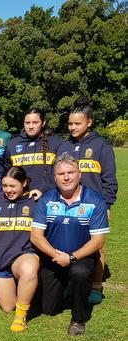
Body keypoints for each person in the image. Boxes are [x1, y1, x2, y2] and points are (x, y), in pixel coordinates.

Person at [31, 153, 108, 336]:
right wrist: (56, 255)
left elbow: (98, 240)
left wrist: (72, 257)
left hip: (81, 257)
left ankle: (78, 318)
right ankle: (69, 288)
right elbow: (36, 236)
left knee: (79, 272)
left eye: (71, 172)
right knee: (48, 309)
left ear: (79, 174)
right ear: (54, 177)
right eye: (61, 174)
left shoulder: (95, 200)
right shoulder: (47, 199)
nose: (66, 177)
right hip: (54, 258)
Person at [57, 97, 117, 304]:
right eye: (70, 124)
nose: (72, 127)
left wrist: (107, 205)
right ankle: (69, 283)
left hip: (94, 205)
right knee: (67, 242)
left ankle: (96, 287)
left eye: (77, 123)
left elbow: (109, 179)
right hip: (67, 203)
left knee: (97, 246)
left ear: (89, 122)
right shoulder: (64, 145)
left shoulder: (101, 146)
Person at [0, 167, 39, 332]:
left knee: (29, 267)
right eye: (5, 186)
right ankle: (9, 283)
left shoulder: (35, 202)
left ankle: (20, 317)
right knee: (8, 307)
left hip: (22, 255)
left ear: (25, 183)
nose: (8, 190)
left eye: (13, 186)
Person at [5, 108, 62, 193]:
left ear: (43, 123)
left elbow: (61, 173)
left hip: (48, 195)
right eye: (27, 123)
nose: (30, 126)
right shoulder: (12, 144)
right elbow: (8, 173)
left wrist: (42, 189)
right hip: (21, 198)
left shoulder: (55, 142)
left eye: (35, 123)